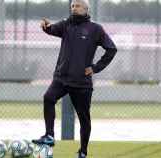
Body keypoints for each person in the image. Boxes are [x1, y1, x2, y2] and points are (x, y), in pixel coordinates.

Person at [32, 0, 117, 157]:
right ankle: (49, 136)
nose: (74, 8)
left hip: (82, 83)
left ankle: (83, 151)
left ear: (85, 9)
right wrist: (46, 26)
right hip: (62, 78)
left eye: (77, 6)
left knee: (84, 118)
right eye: (72, 6)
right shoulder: (66, 24)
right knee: (48, 98)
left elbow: (111, 49)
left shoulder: (95, 29)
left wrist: (95, 67)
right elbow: (51, 29)